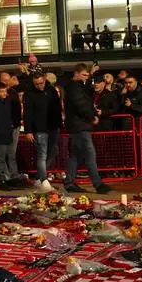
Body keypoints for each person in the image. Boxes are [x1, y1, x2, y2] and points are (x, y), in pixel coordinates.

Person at [63, 64, 111, 195]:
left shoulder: (77, 86)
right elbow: (82, 104)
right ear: (76, 73)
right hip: (80, 125)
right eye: (84, 75)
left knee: (76, 156)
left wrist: (91, 73)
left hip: (78, 125)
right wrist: (92, 116)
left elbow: (85, 98)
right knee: (90, 154)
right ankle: (98, 184)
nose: (86, 78)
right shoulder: (74, 87)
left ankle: (69, 182)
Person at [22, 69, 62, 193]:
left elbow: (57, 107)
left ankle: (40, 178)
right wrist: (28, 131)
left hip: (53, 127)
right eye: (37, 84)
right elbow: (28, 113)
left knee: (53, 151)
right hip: (39, 129)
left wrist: (59, 123)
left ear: (44, 80)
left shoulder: (51, 91)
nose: (40, 86)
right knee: (42, 154)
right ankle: (44, 180)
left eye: (41, 83)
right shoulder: (29, 94)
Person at [0, 84, 21, 188]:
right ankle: (0, 179)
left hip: (8, 134)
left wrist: (11, 127)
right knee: (0, 158)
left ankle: (14, 177)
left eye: (5, 91)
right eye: (1, 91)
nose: (4, 93)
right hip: (0, 136)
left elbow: (11, 117)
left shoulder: (8, 103)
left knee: (12, 157)